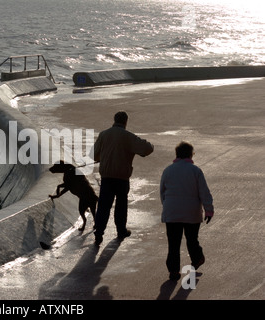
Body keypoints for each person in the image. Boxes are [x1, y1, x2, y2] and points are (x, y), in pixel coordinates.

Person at [92, 111, 154, 246]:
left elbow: (94, 155)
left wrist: (102, 157)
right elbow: (147, 149)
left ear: (114, 120)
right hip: (121, 178)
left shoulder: (104, 134)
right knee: (121, 205)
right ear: (126, 122)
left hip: (107, 177)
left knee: (103, 206)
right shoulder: (128, 136)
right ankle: (121, 230)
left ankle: (98, 233)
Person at [160, 141, 214, 281]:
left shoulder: (168, 170)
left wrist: (167, 207)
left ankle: (173, 271)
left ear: (177, 154)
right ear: (190, 154)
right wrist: (209, 210)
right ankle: (196, 259)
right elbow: (204, 192)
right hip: (191, 212)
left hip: (172, 212)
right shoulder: (195, 171)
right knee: (191, 239)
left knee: (173, 243)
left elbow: (162, 192)